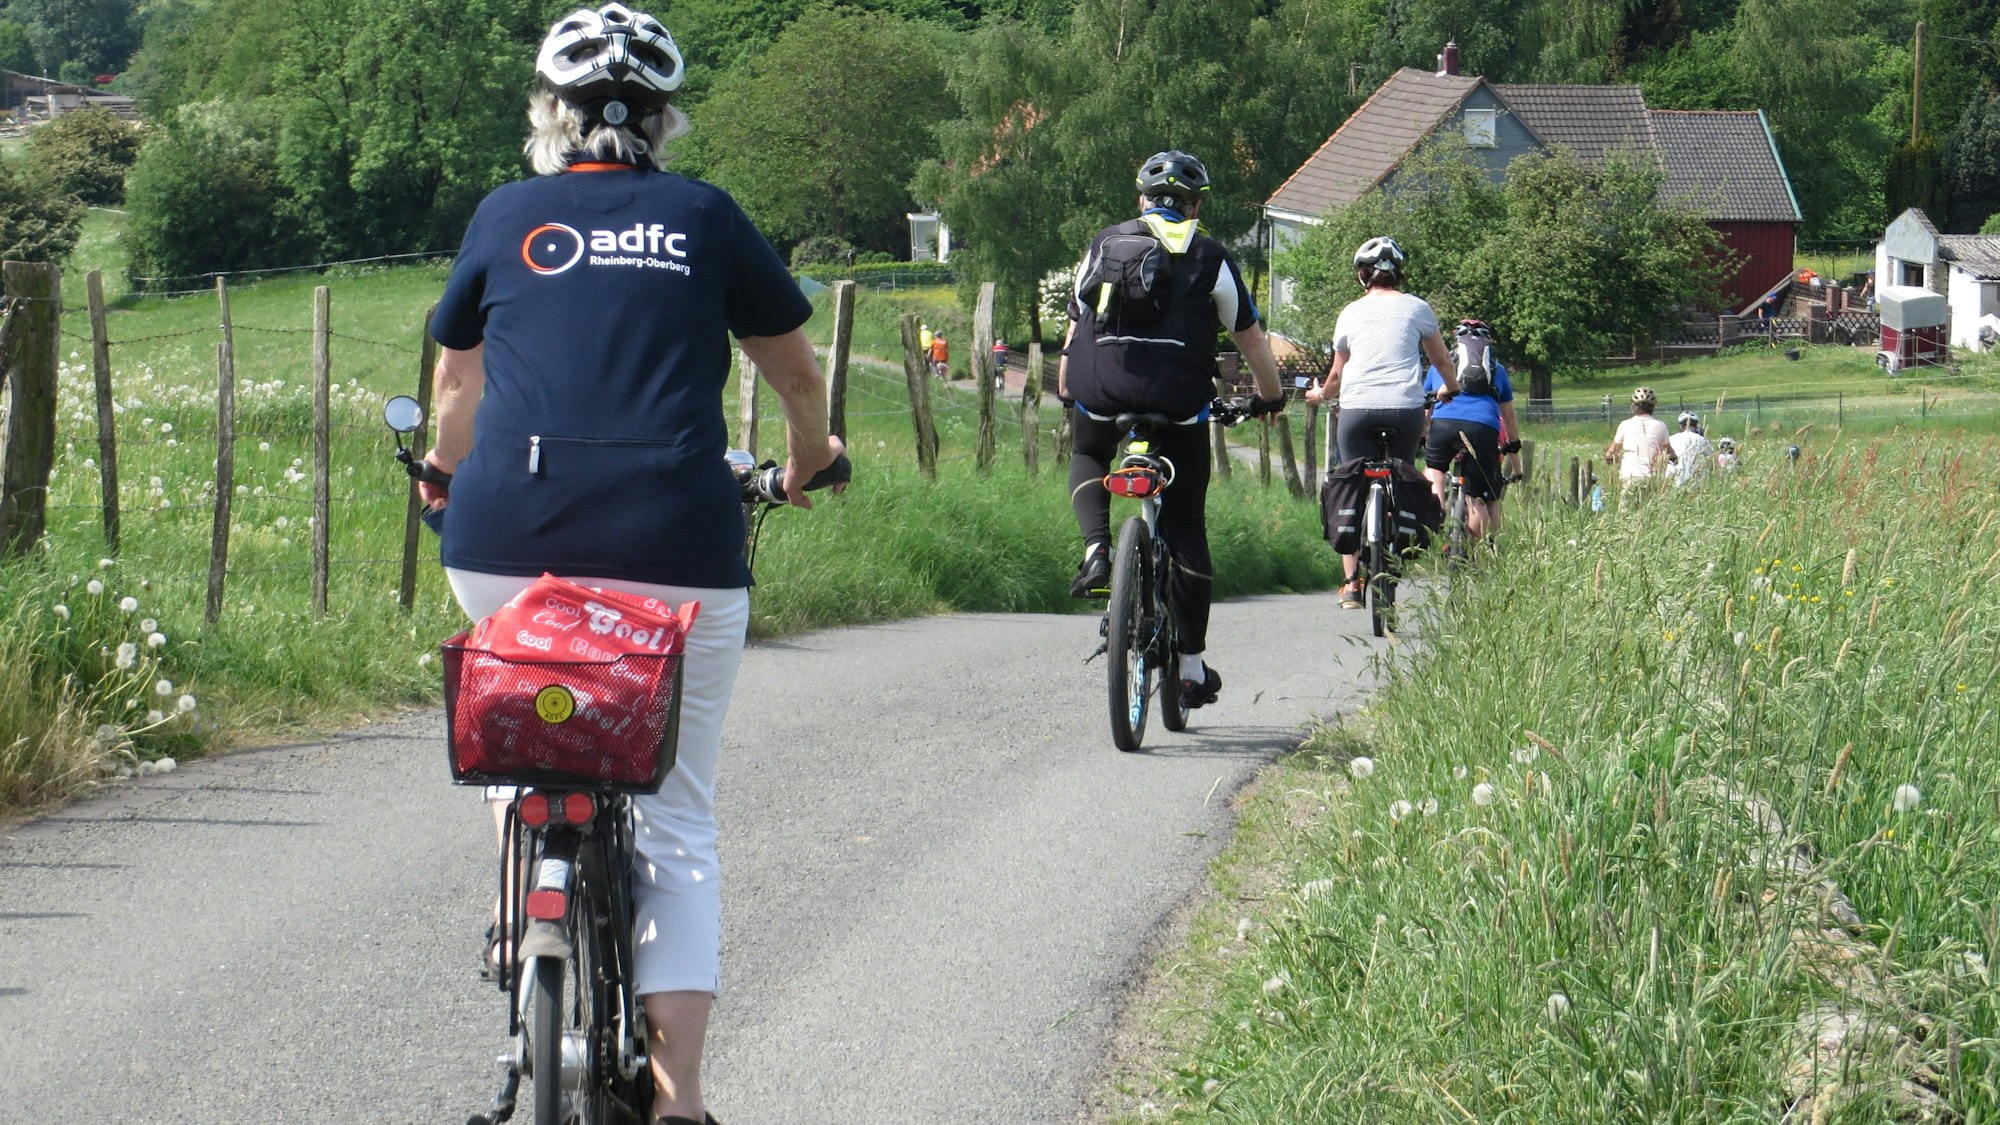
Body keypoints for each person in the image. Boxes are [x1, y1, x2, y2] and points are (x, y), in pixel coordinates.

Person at [419, 7, 845, 1122]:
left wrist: (437, 474)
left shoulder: (506, 215)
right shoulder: (703, 216)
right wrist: (811, 462)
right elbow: (797, 378)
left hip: (506, 538)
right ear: (663, 120)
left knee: (520, 744)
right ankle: (679, 1099)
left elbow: (455, 393)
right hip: (677, 543)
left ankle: (526, 896)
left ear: (550, 118)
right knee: (674, 815)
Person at [1057, 149, 1284, 710]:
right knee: (1185, 524)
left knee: (1088, 452)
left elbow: (1075, 323)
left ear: (1141, 200)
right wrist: (1271, 396)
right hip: (1179, 400)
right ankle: (1188, 667)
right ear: (1196, 204)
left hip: (1102, 389)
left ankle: (1095, 550)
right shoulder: (1211, 255)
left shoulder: (1105, 242)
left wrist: (1070, 388)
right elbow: (1249, 337)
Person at [1303, 236, 1457, 607]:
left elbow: (1336, 377)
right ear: (1398, 274)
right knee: (1403, 473)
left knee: (1351, 475)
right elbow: (1440, 362)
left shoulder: (1350, 312)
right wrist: (1450, 388)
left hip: (1356, 410)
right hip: (1405, 409)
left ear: (1362, 275)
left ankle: (1351, 582)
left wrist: (1319, 395)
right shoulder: (1418, 308)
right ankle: (1398, 545)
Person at [1421, 318, 1518, 551]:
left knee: (1435, 470)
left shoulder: (1440, 366)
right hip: (1483, 428)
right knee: (1477, 499)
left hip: (1444, 424)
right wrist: (1513, 443)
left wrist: (1424, 435)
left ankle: (1439, 514)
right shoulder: (1498, 370)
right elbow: (1509, 413)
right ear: (1487, 343)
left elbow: (1428, 407)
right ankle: (1477, 557)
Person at [1602, 386, 1675, 499]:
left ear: (1633, 407)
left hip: (1629, 475)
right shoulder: (1660, 425)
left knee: (1626, 512)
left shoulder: (1625, 424)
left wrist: (1609, 458)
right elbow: (1668, 450)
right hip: (1651, 476)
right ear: (1653, 407)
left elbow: (1612, 451)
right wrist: (1674, 458)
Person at [1666, 410, 1715, 487]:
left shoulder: (1671, 439)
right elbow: (1712, 458)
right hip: (1697, 482)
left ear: (1681, 426)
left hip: (1676, 480)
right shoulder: (1702, 440)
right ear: (1696, 425)